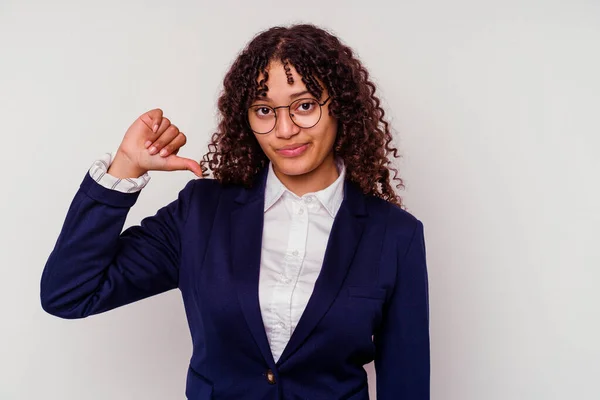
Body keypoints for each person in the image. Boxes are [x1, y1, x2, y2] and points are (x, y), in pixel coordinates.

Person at [40, 24, 430, 400]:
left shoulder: (395, 235)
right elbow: (70, 293)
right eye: (264, 110)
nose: (285, 129)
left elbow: (406, 382)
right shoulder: (201, 214)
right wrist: (126, 165)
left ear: (339, 108)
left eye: (305, 106)